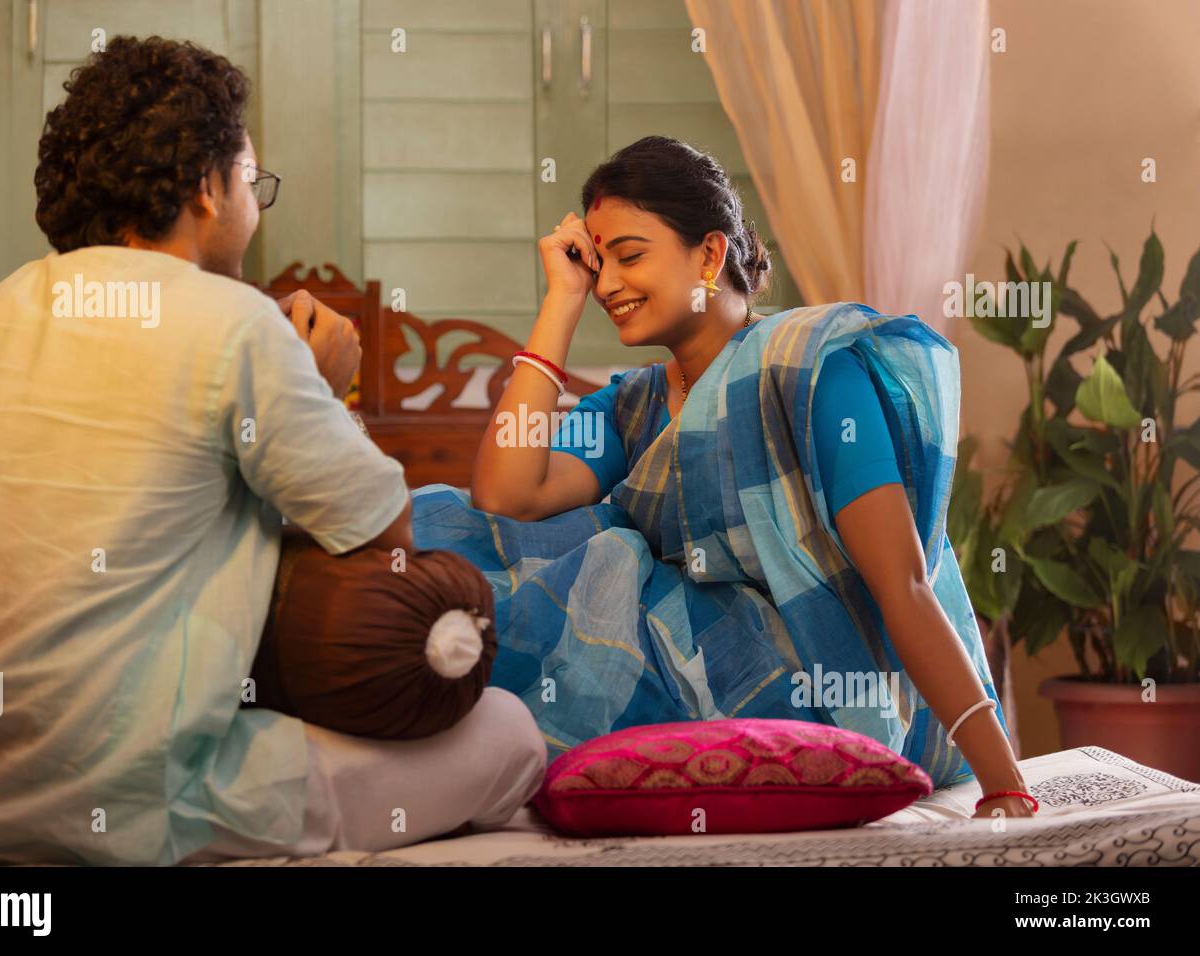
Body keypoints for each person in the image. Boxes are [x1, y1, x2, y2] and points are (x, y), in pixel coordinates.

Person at [0, 36, 545, 866]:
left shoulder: (6, 307)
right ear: (207, 186)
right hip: (126, 793)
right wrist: (330, 383)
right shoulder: (235, 321)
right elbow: (386, 537)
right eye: (252, 180)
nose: (256, 201)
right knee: (509, 734)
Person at [413, 136, 1034, 819]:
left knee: (611, 559)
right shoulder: (634, 408)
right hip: (693, 675)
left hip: (841, 686)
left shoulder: (809, 371)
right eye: (598, 266)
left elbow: (906, 585)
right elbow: (506, 497)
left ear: (709, 255)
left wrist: (1003, 781)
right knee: (448, 534)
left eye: (629, 255)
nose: (609, 285)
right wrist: (560, 300)